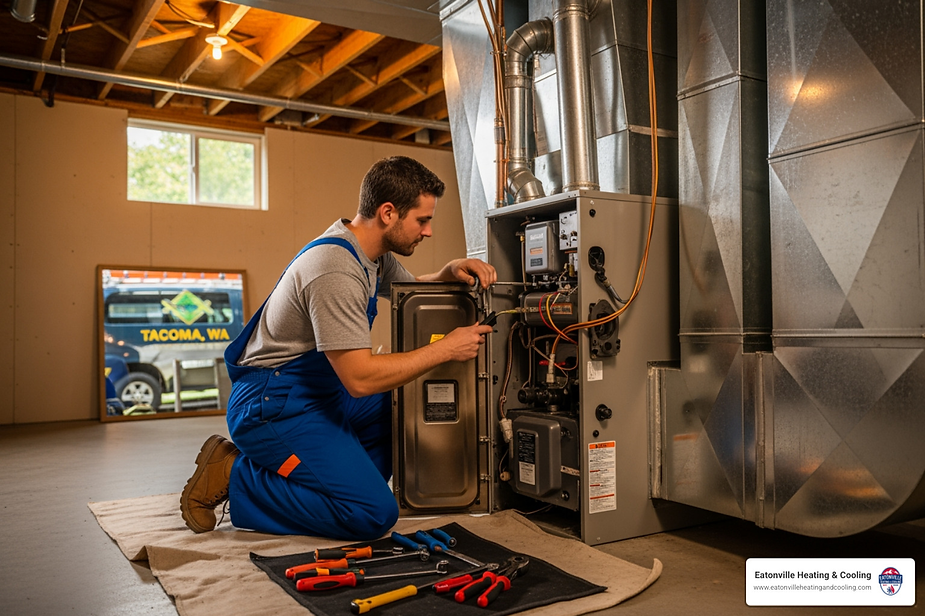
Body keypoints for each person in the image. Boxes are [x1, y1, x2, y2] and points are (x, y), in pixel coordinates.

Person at [179, 156, 496, 540]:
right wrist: (446, 349)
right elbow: (360, 378)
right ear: (388, 213)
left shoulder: (369, 255)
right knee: (372, 514)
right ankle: (235, 473)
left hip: (316, 391)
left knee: (399, 406)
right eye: (422, 220)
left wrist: (447, 272)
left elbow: (409, 291)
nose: (428, 231)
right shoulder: (335, 269)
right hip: (273, 404)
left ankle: (339, 484)